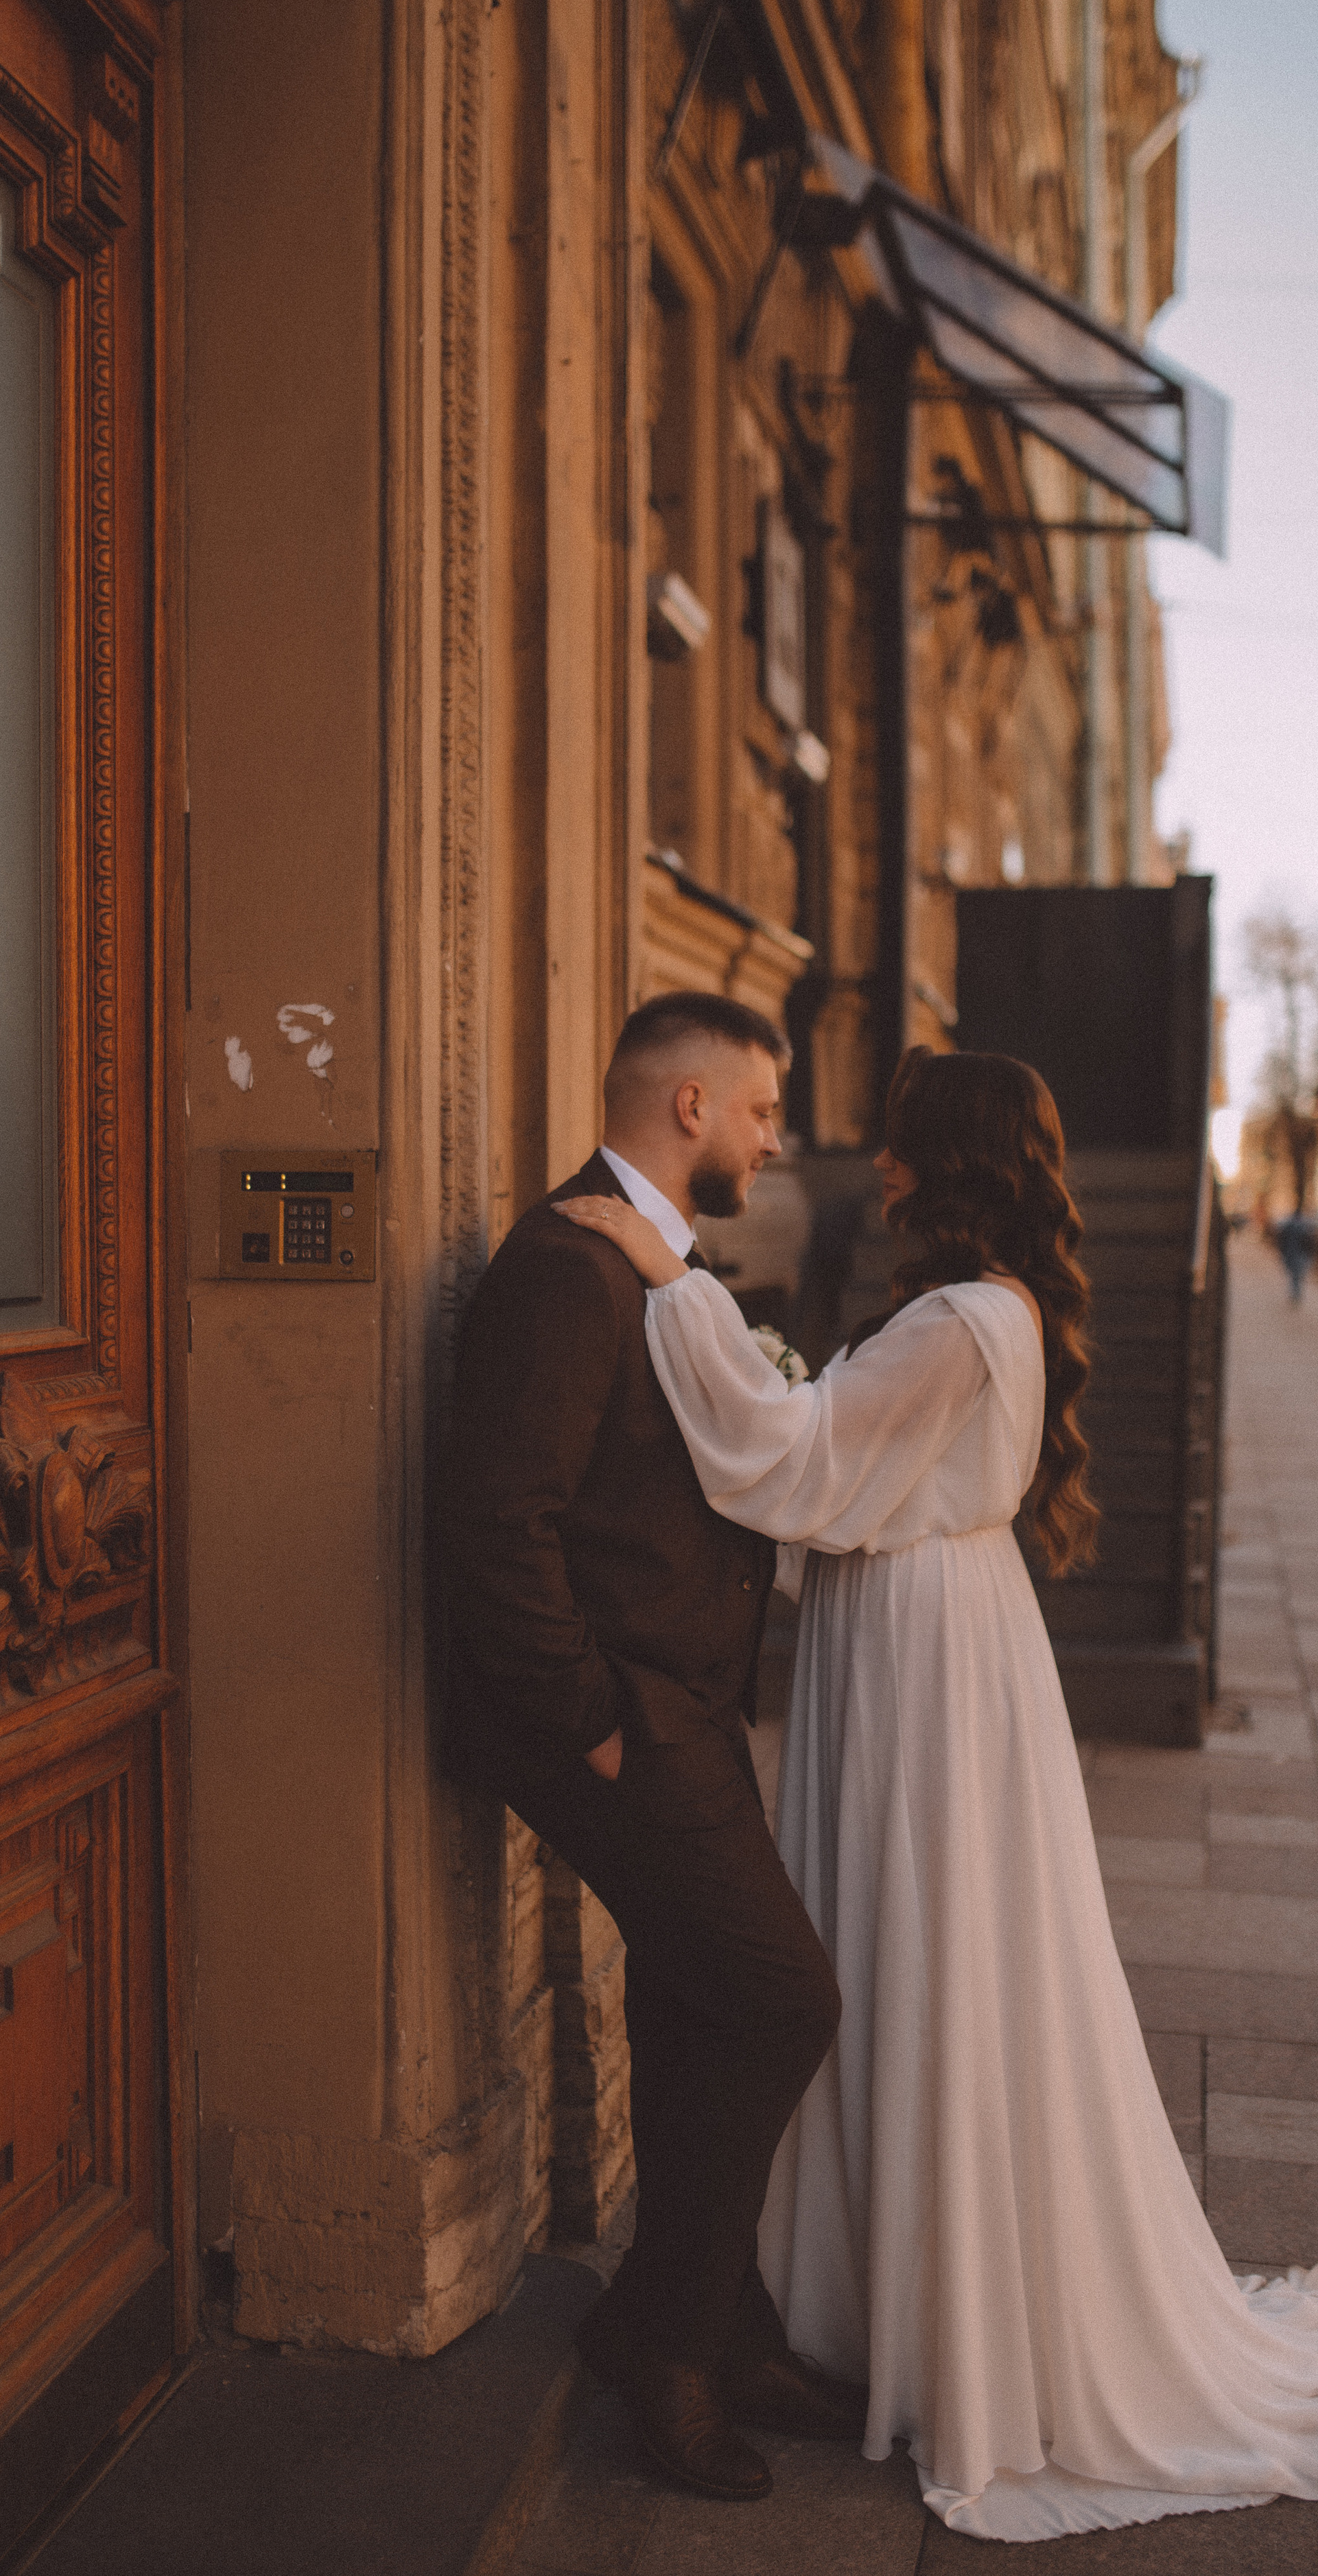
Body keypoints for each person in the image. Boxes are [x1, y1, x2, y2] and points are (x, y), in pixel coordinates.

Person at [556, 1047, 1318, 2544]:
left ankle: (923, 2308)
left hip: (921, 1656)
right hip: (910, 1636)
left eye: (900, 1142)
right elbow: (838, 1452)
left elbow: (793, 1450)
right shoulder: (975, 1310)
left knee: (926, 1958)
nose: (876, 1159)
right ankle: (868, 2289)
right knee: (901, 1954)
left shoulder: (963, 1319)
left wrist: (669, 1279)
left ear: (948, 1160)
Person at [442, 991, 862, 2505]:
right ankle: (667, 2345)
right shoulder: (567, 1267)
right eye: (758, 1109)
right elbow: (500, 1522)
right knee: (780, 1998)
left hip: (682, 1710)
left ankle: (718, 2323)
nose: (770, 1134)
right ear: (687, 1108)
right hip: (623, 1723)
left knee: (699, 2011)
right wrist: (591, 1728)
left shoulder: (654, 1263)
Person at [1275, 1206, 1317, 1303]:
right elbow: (1311, 1242)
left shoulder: (1288, 1224)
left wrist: (1282, 1251)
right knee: (1298, 1274)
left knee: (1294, 1274)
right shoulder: (1306, 1226)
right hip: (1301, 1254)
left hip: (1290, 1253)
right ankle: (1296, 1293)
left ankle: (1295, 1293)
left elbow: (1281, 1239)